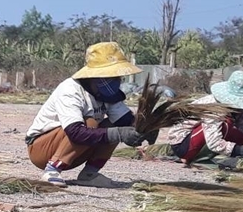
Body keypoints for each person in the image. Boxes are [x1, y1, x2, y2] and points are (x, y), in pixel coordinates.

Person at [24, 42, 152, 187]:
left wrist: (145, 128)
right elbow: (75, 132)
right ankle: (52, 170)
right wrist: (119, 134)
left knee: (116, 125)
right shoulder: (71, 90)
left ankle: (90, 174)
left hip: (77, 151)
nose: (116, 80)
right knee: (91, 123)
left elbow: (125, 121)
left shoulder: (109, 95)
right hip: (41, 150)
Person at [164, 71, 243, 166]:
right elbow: (214, 142)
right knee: (226, 124)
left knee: (241, 130)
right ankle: (190, 156)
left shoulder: (237, 108)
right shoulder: (213, 108)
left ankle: (220, 153)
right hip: (183, 143)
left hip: (201, 138)